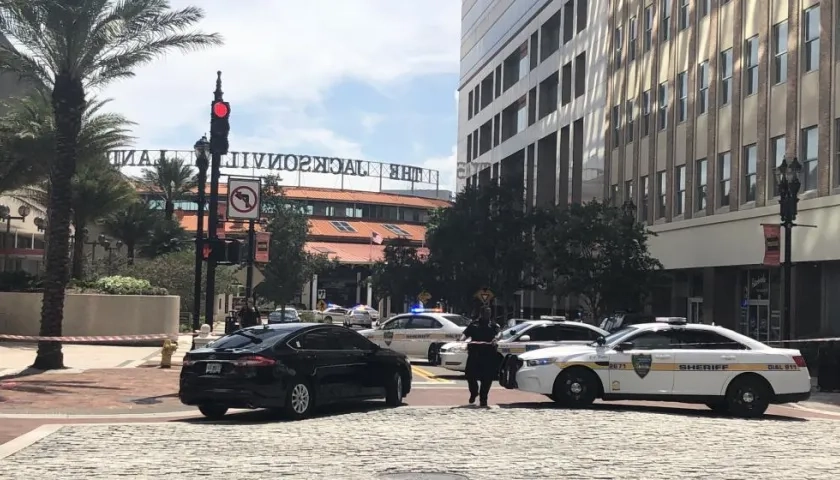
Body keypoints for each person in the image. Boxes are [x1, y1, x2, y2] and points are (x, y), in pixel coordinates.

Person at [460, 307, 500, 407]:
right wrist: (462, 339)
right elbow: (465, 334)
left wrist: (496, 338)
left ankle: (483, 399)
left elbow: (500, 333)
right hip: (475, 354)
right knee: (470, 375)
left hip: (488, 355)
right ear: (481, 313)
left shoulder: (493, 325)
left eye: (489, 313)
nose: (488, 315)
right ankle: (474, 393)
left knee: (487, 378)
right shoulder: (474, 324)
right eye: (486, 313)